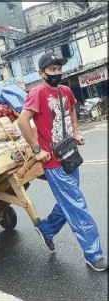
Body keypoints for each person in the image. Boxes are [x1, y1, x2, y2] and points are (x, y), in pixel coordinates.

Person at [18, 52, 107, 272]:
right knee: (77, 205)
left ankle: (46, 229)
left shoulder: (66, 91)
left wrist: (76, 133)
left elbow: (72, 111)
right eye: (52, 70)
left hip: (69, 155)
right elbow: (22, 121)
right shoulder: (37, 93)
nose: (57, 73)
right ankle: (93, 254)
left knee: (68, 201)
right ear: (42, 73)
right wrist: (37, 150)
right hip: (52, 162)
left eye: (59, 69)